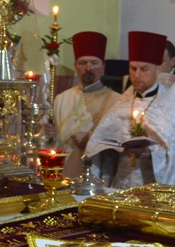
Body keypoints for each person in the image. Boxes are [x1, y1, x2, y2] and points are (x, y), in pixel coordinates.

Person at [85, 31, 175, 189]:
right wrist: (112, 148)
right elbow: (98, 149)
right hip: (122, 184)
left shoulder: (172, 106)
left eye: (144, 69)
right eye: (133, 68)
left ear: (158, 69)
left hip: (152, 187)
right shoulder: (122, 103)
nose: (136, 75)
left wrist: (152, 153)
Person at [43, 31, 120, 178]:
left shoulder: (117, 101)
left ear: (103, 67)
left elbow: (119, 141)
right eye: (82, 63)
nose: (88, 68)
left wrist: (91, 138)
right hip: (63, 173)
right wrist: (48, 133)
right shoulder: (61, 98)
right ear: (76, 66)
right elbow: (50, 141)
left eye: (94, 63)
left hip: (97, 172)